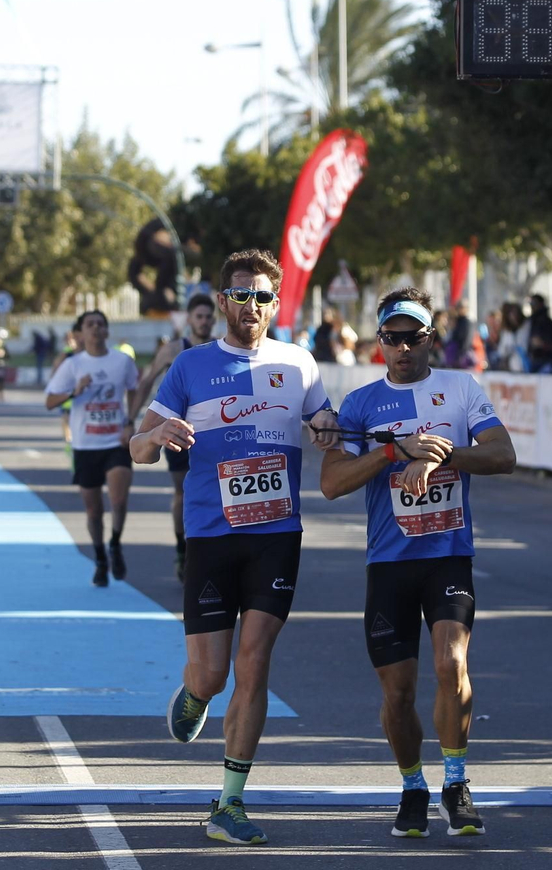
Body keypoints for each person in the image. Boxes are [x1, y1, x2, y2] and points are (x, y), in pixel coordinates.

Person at [130, 248, 340, 846]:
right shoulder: (191, 366)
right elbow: (135, 448)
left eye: (263, 297)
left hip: (276, 536)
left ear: (276, 304)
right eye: (241, 295)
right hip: (212, 538)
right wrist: (158, 433)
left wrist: (325, 429)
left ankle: (229, 801)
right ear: (223, 301)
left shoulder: (298, 363)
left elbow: (324, 425)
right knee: (214, 673)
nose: (252, 306)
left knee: (255, 663)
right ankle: (195, 692)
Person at [319, 287, 517, 839]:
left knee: (452, 665)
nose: (403, 347)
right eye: (392, 337)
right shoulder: (358, 405)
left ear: (430, 338)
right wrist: (391, 451)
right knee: (398, 692)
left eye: (413, 337)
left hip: (447, 556)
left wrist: (440, 452)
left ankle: (455, 782)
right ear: (379, 341)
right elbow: (331, 482)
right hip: (389, 564)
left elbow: (503, 455)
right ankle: (412, 785)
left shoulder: (460, 388)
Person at [45, 310, 139, 587]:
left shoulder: (122, 361)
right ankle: (100, 557)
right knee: (94, 511)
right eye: (90, 325)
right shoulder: (72, 365)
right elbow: (50, 401)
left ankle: (115, 543)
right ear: (81, 333)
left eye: (101, 324)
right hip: (85, 446)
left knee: (119, 500)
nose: (96, 329)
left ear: (107, 331)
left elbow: (135, 388)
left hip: (115, 442)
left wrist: (130, 421)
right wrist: (74, 390)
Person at [131, 293, 218, 581]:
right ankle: (183, 547)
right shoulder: (173, 350)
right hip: (177, 433)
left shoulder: (219, 349)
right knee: (182, 491)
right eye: (199, 316)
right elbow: (147, 381)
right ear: (190, 319)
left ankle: (211, 544)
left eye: (208, 317)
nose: (204, 322)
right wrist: (131, 420)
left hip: (209, 434)